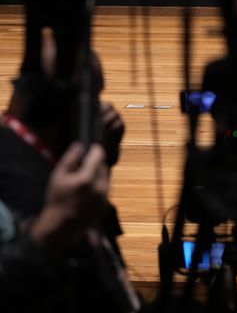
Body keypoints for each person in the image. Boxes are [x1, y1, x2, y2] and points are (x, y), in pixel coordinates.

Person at [0, 36, 139, 312]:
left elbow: (95, 229)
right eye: (94, 101)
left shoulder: (41, 158)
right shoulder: (19, 185)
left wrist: (105, 160)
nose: (103, 112)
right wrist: (51, 228)